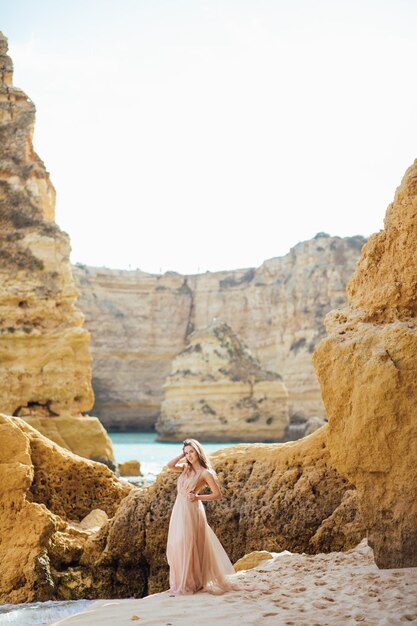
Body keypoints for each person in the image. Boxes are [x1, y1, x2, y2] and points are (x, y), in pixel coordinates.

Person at [166, 438, 236, 595]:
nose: (189, 455)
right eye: (186, 453)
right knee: (177, 544)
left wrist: (198, 497)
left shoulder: (206, 473)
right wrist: (181, 456)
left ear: (198, 451)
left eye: (192, 452)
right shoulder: (185, 468)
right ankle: (181, 582)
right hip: (179, 509)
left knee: (190, 544)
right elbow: (169, 466)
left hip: (192, 509)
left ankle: (191, 584)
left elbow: (217, 494)